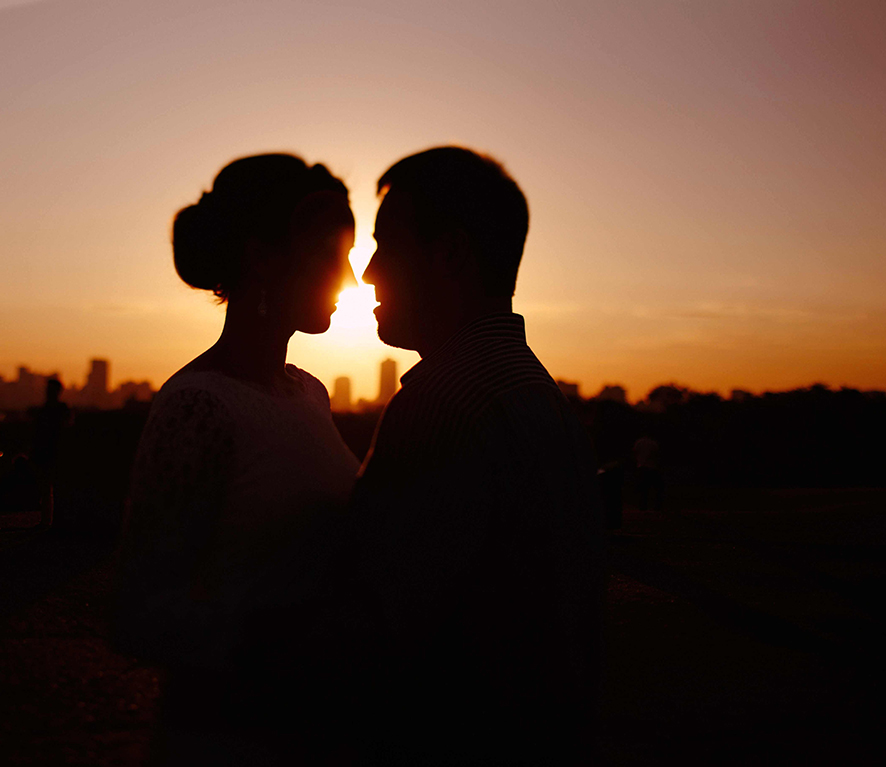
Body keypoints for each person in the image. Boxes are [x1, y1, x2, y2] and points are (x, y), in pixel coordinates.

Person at [335, 147, 606, 764]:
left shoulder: (444, 403)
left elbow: (374, 626)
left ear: (451, 253)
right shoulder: (540, 397)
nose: (368, 273)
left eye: (387, 245)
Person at [115, 153, 361, 764]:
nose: (352, 280)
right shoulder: (198, 407)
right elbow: (138, 611)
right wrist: (284, 639)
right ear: (261, 256)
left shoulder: (311, 394)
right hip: (225, 735)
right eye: (334, 256)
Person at [32, 377, 72, 529]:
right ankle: (49, 520)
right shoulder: (57, 410)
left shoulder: (52, 410)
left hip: (54, 452)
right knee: (47, 488)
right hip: (49, 452)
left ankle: (50, 520)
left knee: (53, 488)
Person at [633, 433, 663, 511]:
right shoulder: (653, 443)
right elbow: (657, 454)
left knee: (643, 487)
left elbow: (635, 452)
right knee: (655, 487)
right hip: (651, 467)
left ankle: (643, 506)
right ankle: (656, 506)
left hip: (642, 466)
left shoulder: (639, 442)